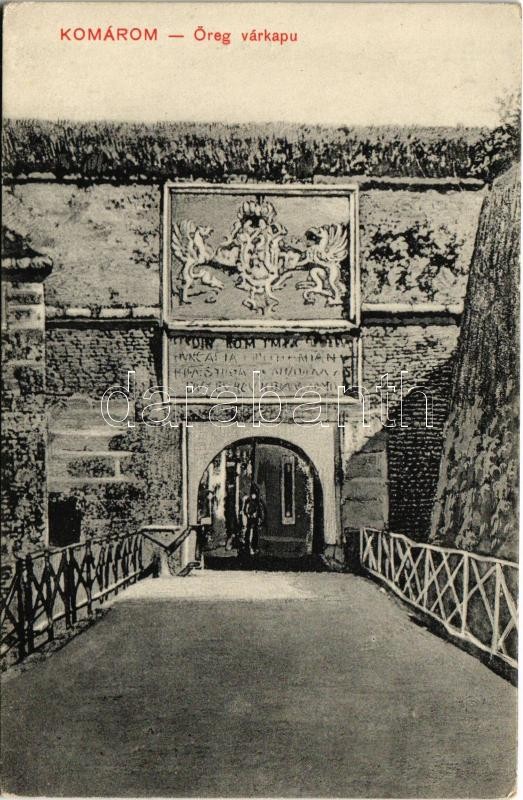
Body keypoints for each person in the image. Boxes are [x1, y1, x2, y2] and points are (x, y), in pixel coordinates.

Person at [241, 482, 266, 557]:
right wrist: (248, 514)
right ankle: (248, 546)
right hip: (250, 520)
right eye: (252, 494)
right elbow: (245, 509)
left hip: (255, 521)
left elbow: (261, 511)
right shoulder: (248, 501)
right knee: (249, 532)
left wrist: (259, 518)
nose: (253, 496)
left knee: (255, 533)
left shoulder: (259, 502)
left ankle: (254, 547)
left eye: (254, 494)